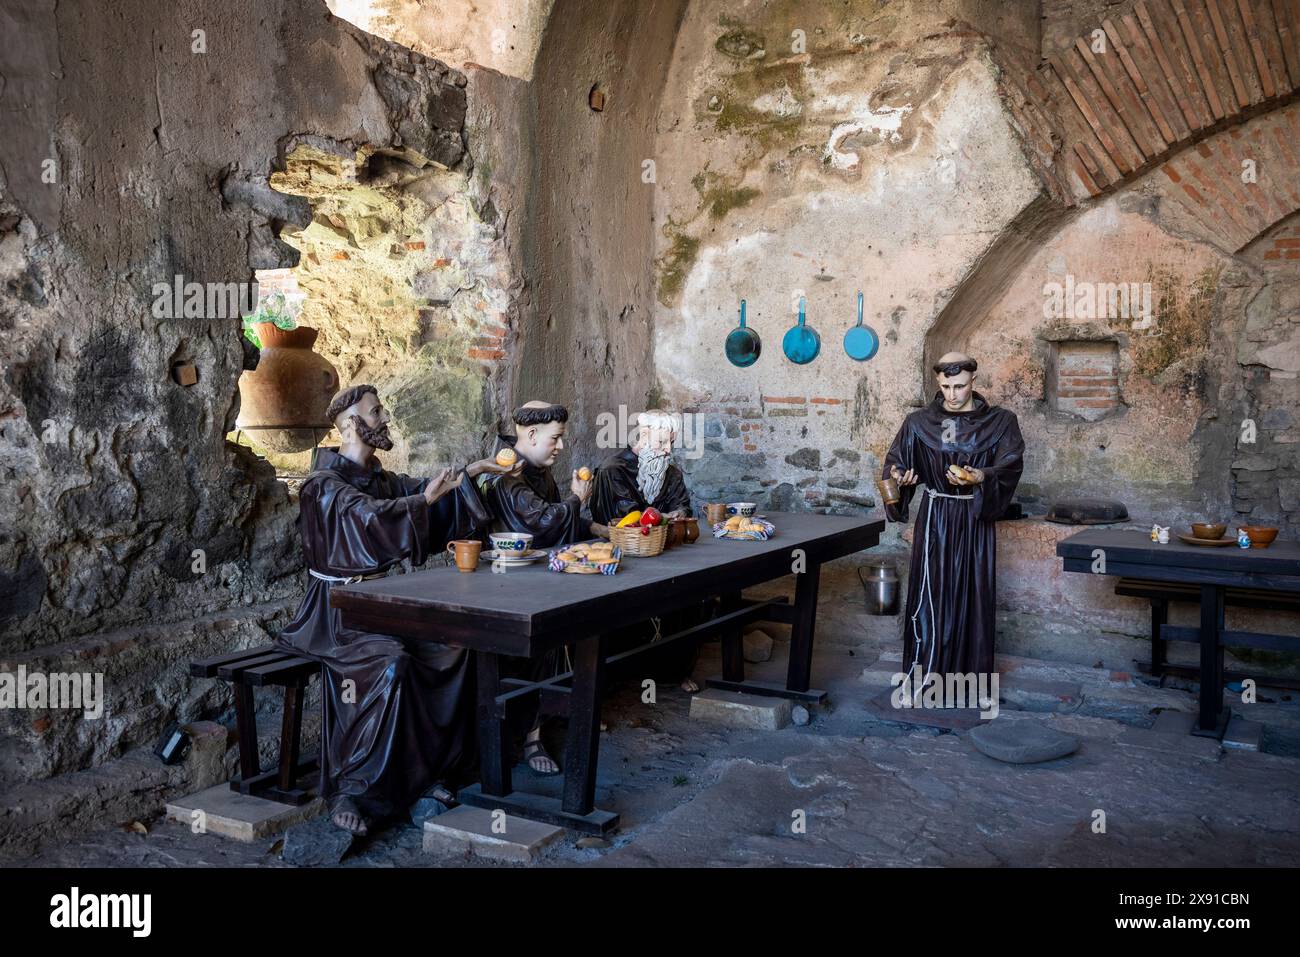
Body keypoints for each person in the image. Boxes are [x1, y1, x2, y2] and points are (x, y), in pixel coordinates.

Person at [276, 383, 520, 836]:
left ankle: (423, 776)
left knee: (453, 647)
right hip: (338, 614)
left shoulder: (380, 477)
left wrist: (472, 472)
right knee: (391, 664)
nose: (384, 418)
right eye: (375, 412)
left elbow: (421, 493)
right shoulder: (322, 486)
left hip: (384, 607)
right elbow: (368, 518)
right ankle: (356, 786)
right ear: (352, 424)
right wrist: (422, 501)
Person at [479, 400, 604, 774]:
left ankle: (571, 711)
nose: (561, 447)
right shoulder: (507, 475)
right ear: (531, 435)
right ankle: (530, 737)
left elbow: (557, 525)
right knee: (539, 648)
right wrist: (577, 499)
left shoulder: (540, 472)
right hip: (507, 585)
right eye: (556, 439)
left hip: (537, 578)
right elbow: (542, 523)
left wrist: (594, 528)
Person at [881, 352, 1024, 679]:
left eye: (959, 386)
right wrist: (902, 477)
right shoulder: (918, 423)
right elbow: (894, 466)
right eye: (946, 386)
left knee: (972, 596)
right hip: (936, 518)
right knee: (932, 596)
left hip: (975, 520)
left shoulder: (1000, 422)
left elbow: (1010, 464)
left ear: (974, 380)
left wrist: (982, 476)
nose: (952, 394)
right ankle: (927, 677)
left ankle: (967, 679)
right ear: (938, 382)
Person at [590, 408, 703, 692]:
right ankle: (623, 673)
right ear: (642, 436)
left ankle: (675, 669)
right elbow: (626, 520)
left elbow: (684, 507)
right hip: (623, 556)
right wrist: (665, 517)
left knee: (692, 591)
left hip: (666, 552)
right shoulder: (613, 471)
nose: (667, 451)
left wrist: (673, 515)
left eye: (670, 444)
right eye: (661, 443)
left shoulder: (671, 472)